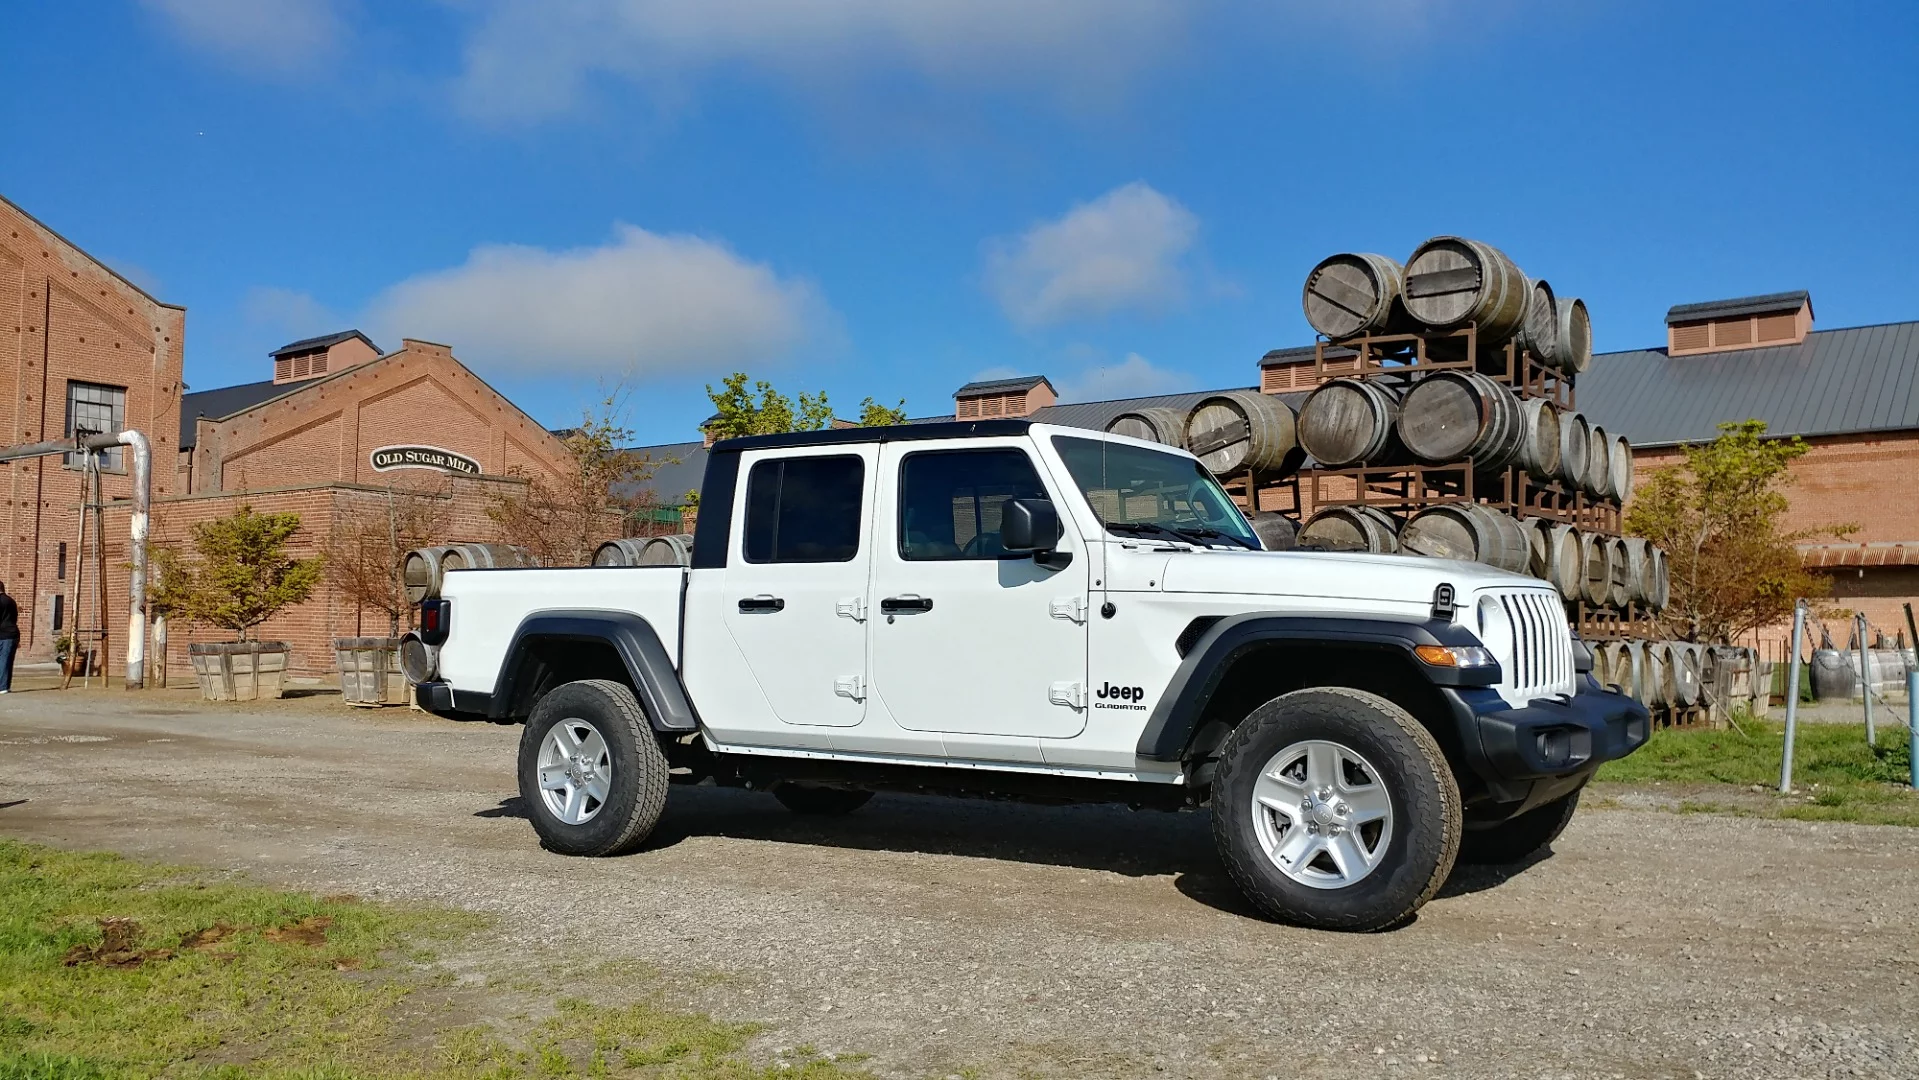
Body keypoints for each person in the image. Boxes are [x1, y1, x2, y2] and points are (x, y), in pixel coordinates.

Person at [0, 582, 17, 693]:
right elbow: (15, 617)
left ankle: (3, 686)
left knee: (4, 660)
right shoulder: (11, 601)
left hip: (4, 634)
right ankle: (4, 686)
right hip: (11, 633)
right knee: (7, 660)